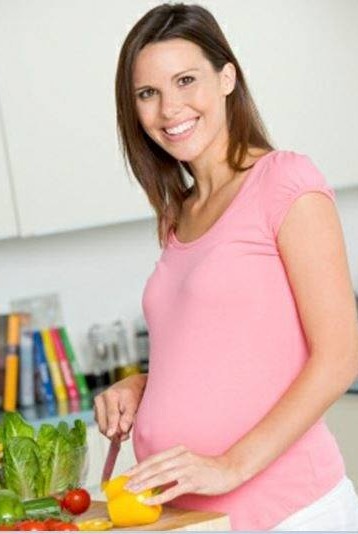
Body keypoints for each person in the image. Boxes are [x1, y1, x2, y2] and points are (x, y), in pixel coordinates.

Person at [94, 3, 358, 530]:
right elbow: (226, 353)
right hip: (197, 518)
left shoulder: (284, 180)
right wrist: (142, 385)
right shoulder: (179, 214)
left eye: (186, 80)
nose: (170, 108)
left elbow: (340, 356)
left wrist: (228, 467)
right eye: (148, 93)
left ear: (227, 78)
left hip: (291, 514)